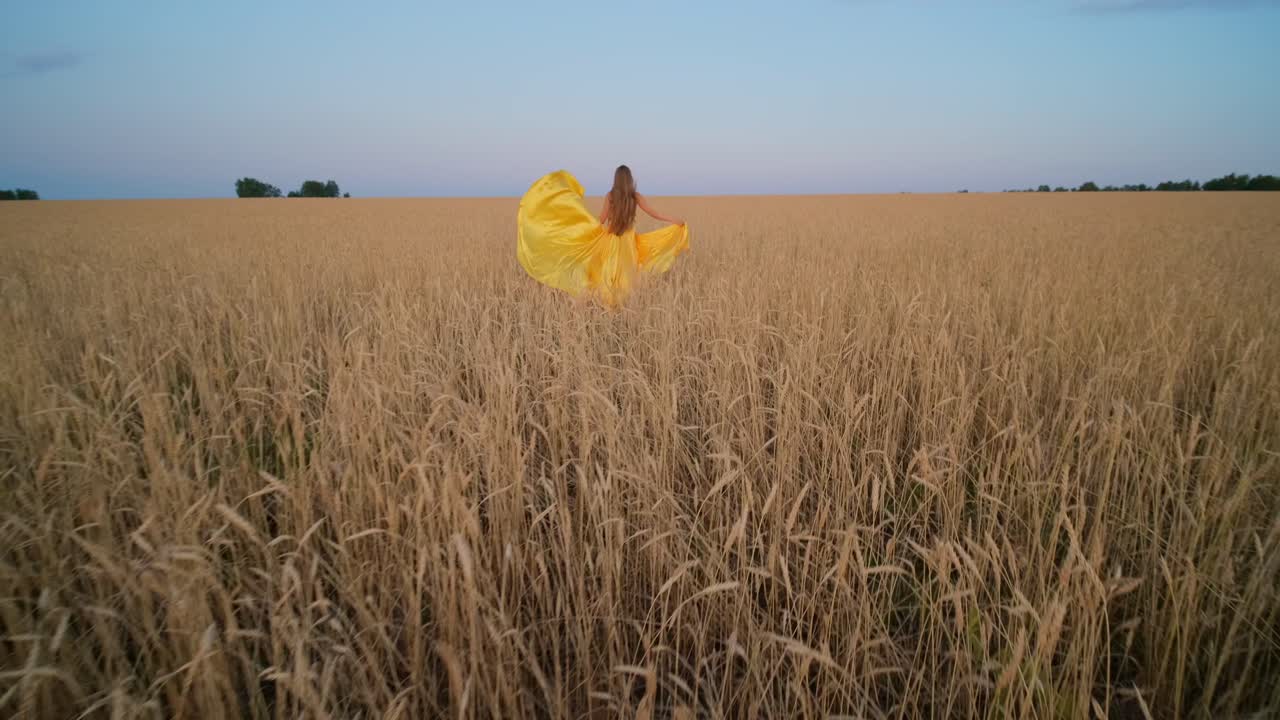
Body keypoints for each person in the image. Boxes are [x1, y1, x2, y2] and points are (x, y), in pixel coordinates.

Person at [517, 165, 689, 307]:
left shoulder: (611, 196)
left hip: (611, 241)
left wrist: (577, 221)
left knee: (608, 274)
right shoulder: (635, 197)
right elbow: (655, 213)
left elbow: (601, 220)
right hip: (628, 243)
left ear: (616, 179)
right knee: (627, 276)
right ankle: (622, 308)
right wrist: (676, 221)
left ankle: (606, 306)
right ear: (630, 179)